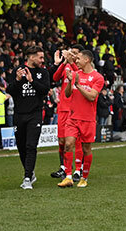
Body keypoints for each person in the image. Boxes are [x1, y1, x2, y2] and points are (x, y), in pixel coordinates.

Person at [56, 50, 104, 188]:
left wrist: (77, 84)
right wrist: (71, 82)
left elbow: (92, 96)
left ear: (87, 60)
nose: (76, 61)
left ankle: (84, 178)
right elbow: (67, 94)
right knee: (68, 144)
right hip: (73, 117)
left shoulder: (97, 77)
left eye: (79, 59)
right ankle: (68, 177)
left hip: (88, 119)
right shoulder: (76, 74)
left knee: (86, 149)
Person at [7, 46, 50, 189]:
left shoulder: (43, 72)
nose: (42, 60)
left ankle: (26, 178)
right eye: (40, 57)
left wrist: (32, 81)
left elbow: (45, 90)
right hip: (19, 114)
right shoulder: (17, 70)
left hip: (35, 114)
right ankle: (30, 173)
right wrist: (18, 80)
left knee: (31, 146)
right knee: (21, 147)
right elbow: (10, 91)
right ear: (31, 57)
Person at [50, 44, 83, 180]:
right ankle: (63, 168)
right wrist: (64, 63)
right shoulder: (67, 66)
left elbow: (79, 79)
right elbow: (55, 78)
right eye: (70, 52)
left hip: (76, 109)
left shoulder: (81, 68)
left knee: (77, 141)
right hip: (63, 108)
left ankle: (78, 170)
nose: (72, 55)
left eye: (75, 53)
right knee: (62, 140)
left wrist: (72, 64)